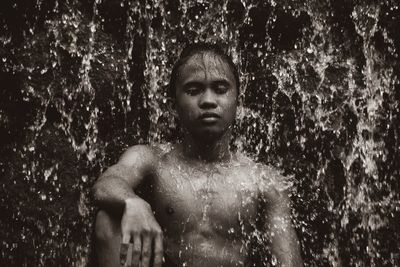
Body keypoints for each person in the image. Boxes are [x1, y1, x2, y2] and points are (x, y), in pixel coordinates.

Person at [92, 43, 303, 267]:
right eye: (193, 91)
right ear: (174, 105)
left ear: (237, 101)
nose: (208, 101)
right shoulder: (152, 161)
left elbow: (288, 261)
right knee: (107, 219)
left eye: (220, 89)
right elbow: (106, 184)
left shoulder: (262, 181)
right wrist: (133, 203)